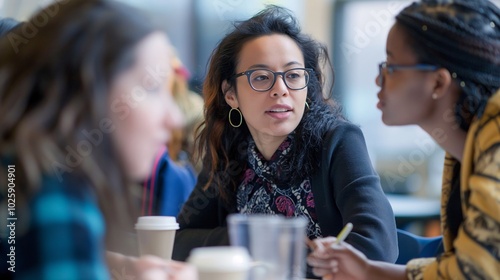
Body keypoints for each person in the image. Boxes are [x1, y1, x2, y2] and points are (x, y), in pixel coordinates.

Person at [173, 6, 398, 278]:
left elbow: (377, 248)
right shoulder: (229, 148)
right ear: (230, 94)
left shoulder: (338, 141)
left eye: (293, 76)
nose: (280, 89)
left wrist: (276, 256)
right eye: (261, 77)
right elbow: (180, 240)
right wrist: (252, 242)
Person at [0, 0, 196, 279]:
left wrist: (119, 266)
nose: (175, 118)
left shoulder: (24, 170)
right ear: (86, 92)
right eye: (151, 88)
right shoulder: (51, 193)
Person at [307, 0, 500, 279]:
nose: (378, 81)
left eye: (391, 67)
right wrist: (365, 270)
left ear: (438, 83)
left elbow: (473, 273)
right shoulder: (464, 148)